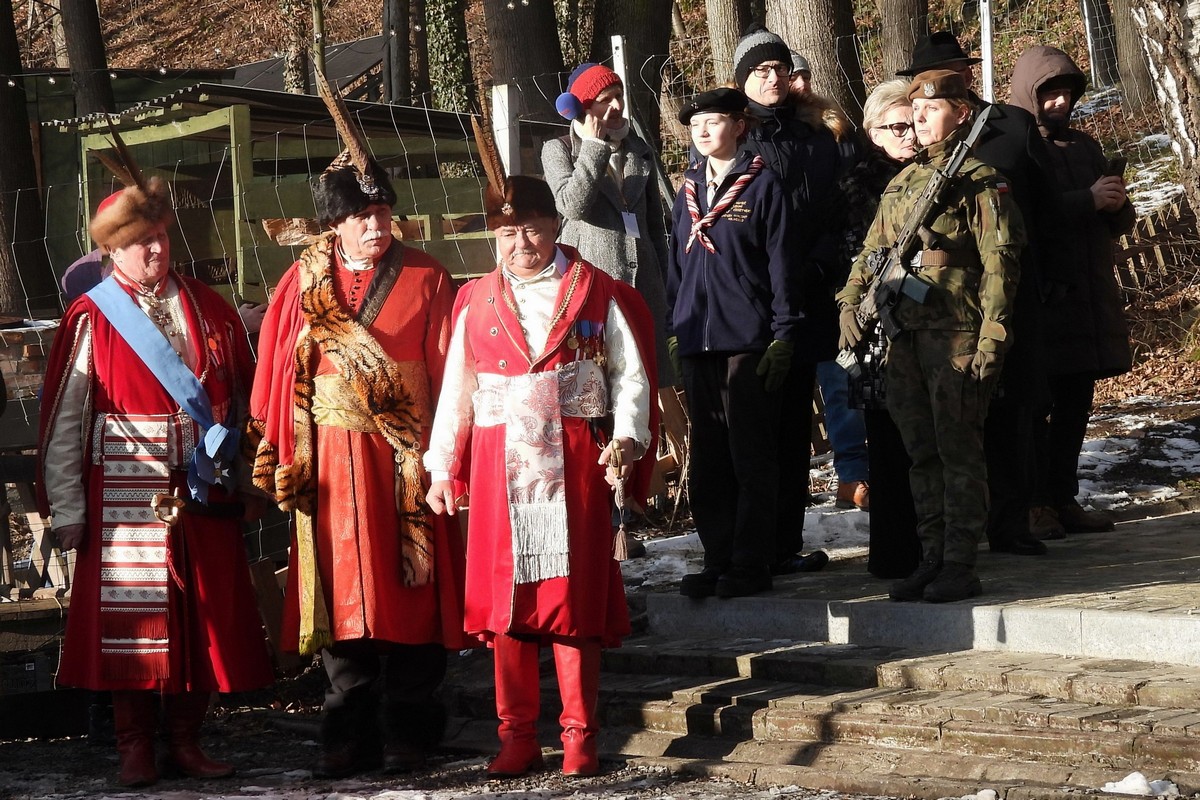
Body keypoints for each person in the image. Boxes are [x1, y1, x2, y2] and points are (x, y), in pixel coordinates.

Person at [244, 122, 468, 776]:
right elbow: (276, 374)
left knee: (414, 591)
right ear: (334, 225)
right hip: (332, 463)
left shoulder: (428, 276)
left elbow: (452, 373)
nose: (377, 226)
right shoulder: (301, 283)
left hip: (405, 457)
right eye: (362, 217)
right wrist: (281, 454)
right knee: (342, 593)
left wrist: (448, 456)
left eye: (383, 213)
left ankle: (411, 730)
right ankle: (347, 732)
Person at [37, 175, 273, 787]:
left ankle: (187, 741)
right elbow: (66, 421)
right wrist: (69, 507)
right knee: (131, 625)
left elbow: (244, 400)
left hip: (202, 486)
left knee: (201, 618)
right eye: (141, 240)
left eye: (161, 236)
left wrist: (249, 481)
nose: (156, 249)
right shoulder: (92, 317)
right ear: (111, 250)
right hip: (123, 489)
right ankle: (135, 745)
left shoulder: (209, 307)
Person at [424, 174, 655, 779]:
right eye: (506, 234)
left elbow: (629, 374)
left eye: (529, 229)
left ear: (555, 226)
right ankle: (517, 737)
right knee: (508, 602)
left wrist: (627, 436)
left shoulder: (595, 291)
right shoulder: (474, 299)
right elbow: (458, 390)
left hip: (575, 459)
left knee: (571, 600)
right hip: (497, 464)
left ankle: (580, 738)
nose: (519, 243)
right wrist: (443, 467)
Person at [837, 70, 1025, 603]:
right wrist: (849, 301)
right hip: (906, 338)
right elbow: (872, 252)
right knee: (921, 454)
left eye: (931, 110)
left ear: (962, 113)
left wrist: (993, 335)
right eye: (913, 112)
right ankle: (932, 557)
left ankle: (960, 562)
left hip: (957, 334)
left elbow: (1001, 262)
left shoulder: (979, 180)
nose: (918, 120)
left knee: (958, 450)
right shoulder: (903, 182)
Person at [898, 31, 1064, 558]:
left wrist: (1049, 278)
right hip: (940, 306)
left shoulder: (1011, 125)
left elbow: (1046, 205)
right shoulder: (916, 133)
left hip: (1008, 284)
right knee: (950, 426)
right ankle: (949, 538)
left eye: (957, 67)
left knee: (1014, 407)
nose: (950, 76)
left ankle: (1012, 520)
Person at [667, 87, 801, 599]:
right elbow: (677, 264)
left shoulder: (762, 185)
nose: (702, 131)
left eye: (713, 121)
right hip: (698, 339)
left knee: (751, 455)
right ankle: (717, 557)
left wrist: (784, 333)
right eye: (694, 123)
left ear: (739, 126)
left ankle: (751, 561)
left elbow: (782, 265)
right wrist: (676, 324)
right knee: (709, 459)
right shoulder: (687, 190)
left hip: (748, 339)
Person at [733, 23, 851, 573]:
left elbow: (836, 209)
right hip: (754, 300)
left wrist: (817, 264)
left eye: (779, 68)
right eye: (760, 70)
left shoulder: (815, 137)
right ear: (742, 79)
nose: (773, 78)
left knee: (794, 425)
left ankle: (785, 542)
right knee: (757, 424)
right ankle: (752, 545)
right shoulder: (734, 138)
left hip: (806, 294)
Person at [1010, 45, 1135, 536]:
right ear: (1029, 94)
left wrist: (1116, 203)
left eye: (1066, 92)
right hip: (1043, 299)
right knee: (1035, 410)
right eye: (1049, 93)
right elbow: (1026, 218)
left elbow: (1115, 220)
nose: (1060, 102)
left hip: (1087, 298)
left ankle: (1063, 499)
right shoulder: (1018, 148)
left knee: (1075, 407)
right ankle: (1035, 503)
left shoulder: (1085, 147)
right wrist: (1087, 199)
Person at [834, 78, 921, 578]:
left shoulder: (931, 175)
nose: (909, 134)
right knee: (887, 442)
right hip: (877, 329)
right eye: (897, 127)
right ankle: (893, 551)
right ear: (873, 132)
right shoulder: (858, 186)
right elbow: (858, 257)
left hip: (928, 327)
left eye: (914, 124)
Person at [543, 62, 672, 386]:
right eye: (605, 99)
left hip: (645, 291)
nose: (617, 105)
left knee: (647, 383)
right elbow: (572, 205)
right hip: (593, 291)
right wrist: (594, 147)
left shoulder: (639, 151)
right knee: (596, 385)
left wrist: (667, 287)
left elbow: (654, 228)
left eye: (620, 96)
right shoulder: (558, 150)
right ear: (581, 107)